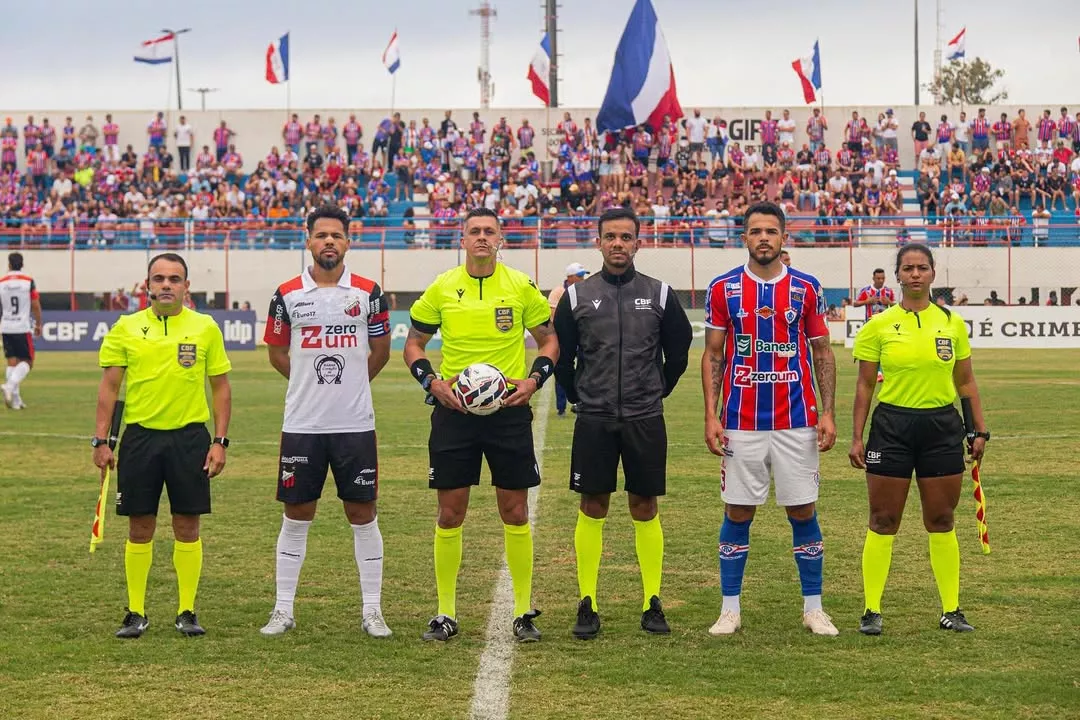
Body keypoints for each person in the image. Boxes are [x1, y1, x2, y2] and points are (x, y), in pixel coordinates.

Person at [403, 206, 560, 643]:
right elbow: (414, 345)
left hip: (508, 413)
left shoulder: (519, 286)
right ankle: (445, 613)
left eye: (490, 231)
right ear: (463, 238)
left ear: (501, 239)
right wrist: (431, 382)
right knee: (450, 513)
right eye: (475, 231)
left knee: (515, 511)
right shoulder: (442, 287)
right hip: (455, 415)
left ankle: (524, 611)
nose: (482, 238)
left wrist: (534, 380)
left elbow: (550, 340)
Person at [553, 207, 693, 640]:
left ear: (638, 242)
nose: (618, 244)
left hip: (644, 417)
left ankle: (652, 600)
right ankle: (587, 601)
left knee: (644, 506)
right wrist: (580, 395)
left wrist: (654, 391)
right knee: (592, 505)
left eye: (626, 237)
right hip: (594, 417)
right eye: (610, 236)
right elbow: (563, 357)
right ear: (598, 242)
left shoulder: (660, 293)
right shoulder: (577, 297)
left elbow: (679, 351)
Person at [701, 201, 839, 637]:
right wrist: (711, 414)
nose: (764, 238)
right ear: (744, 237)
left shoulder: (807, 287)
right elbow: (714, 354)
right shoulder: (723, 288)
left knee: (802, 509)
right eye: (755, 231)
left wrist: (828, 412)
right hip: (741, 420)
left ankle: (813, 607)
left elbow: (822, 352)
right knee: (738, 510)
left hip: (797, 419)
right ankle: (729, 609)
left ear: (783, 238)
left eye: (771, 231)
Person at [259, 205, 393, 638]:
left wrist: (351, 383)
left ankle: (372, 610)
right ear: (308, 240)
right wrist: (308, 382)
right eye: (321, 235)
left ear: (348, 241)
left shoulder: (369, 293)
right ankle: (283, 609)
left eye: (337, 235)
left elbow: (381, 351)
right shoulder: (286, 294)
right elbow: (278, 353)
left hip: (355, 423)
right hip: (303, 423)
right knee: (297, 514)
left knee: (362, 513)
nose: (329, 242)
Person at [849, 243, 988, 635]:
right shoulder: (878, 325)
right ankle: (871, 610)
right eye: (907, 268)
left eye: (921, 268)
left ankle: (951, 610)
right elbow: (863, 388)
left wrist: (978, 428)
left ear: (932, 274)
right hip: (892, 426)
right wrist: (856, 438)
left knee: (941, 519)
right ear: (897, 275)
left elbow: (965, 381)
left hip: (941, 428)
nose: (914, 274)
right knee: (883, 519)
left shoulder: (952, 323)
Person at [92, 252, 233, 639]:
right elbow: (109, 387)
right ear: (147, 285)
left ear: (187, 286)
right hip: (140, 438)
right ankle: (136, 612)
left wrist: (219, 441)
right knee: (140, 526)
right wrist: (101, 440)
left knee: (187, 523)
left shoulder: (205, 328)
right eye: (159, 278)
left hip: (189, 438)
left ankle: (187, 610)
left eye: (174, 278)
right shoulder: (126, 327)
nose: (166, 285)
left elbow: (220, 388)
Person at [0, 252, 42, 409]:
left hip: (6, 326)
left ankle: (16, 400)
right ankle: (9, 387)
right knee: (27, 362)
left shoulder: (2, 282)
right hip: (22, 326)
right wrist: (38, 323)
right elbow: (35, 304)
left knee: (12, 361)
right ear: (22, 264)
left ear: (9, 264)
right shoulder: (28, 281)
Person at [547, 262, 589, 416]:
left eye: (583, 275)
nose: (583, 278)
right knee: (563, 369)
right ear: (570, 277)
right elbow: (554, 314)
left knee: (586, 367)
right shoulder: (558, 292)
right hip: (564, 337)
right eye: (580, 276)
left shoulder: (585, 291)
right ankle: (561, 407)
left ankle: (582, 401)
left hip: (583, 337)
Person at [854, 268, 897, 383]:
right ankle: (874, 373)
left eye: (882, 278)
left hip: (885, 325)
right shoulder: (866, 291)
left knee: (885, 349)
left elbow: (896, 306)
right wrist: (867, 301)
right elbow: (855, 303)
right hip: (870, 324)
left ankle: (881, 373)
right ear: (873, 278)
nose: (880, 280)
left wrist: (889, 303)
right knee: (871, 350)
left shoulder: (888, 292)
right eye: (878, 278)